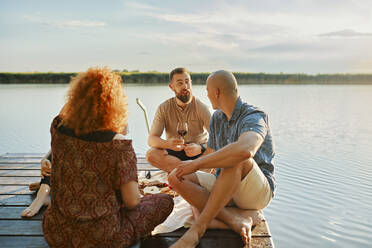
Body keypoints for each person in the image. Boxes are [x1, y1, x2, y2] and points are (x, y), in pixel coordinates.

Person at [39, 67, 173, 247]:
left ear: (75, 98)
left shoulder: (58, 128)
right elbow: (132, 201)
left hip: (58, 234)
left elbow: (66, 113)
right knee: (164, 201)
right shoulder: (119, 146)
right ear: (116, 104)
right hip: (104, 237)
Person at [167, 70, 276, 248]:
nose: (207, 94)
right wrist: (189, 178)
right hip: (225, 183)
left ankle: (197, 230)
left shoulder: (254, 116)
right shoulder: (217, 118)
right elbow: (210, 154)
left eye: (208, 90)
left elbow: (245, 150)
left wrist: (196, 164)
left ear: (216, 92)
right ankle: (234, 219)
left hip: (256, 191)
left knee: (235, 158)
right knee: (175, 175)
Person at [146, 67, 211, 172]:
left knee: (215, 153)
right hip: (175, 153)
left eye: (187, 82)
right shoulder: (164, 108)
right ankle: (189, 171)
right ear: (172, 87)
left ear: (191, 83)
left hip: (197, 152)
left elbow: (217, 139)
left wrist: (201, 148)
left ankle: (183, 171)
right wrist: (168, 144)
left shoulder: (202, 107)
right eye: (180, 83)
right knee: (151, 154)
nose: (185, 86)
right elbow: (152, 139)